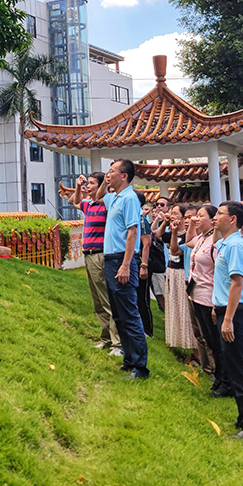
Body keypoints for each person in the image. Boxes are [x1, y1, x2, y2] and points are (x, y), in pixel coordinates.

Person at [211, 201, 243, 440]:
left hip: (236, 314)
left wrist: (228, 318)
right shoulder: (225, 243)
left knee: (241, 370)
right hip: (226, 310)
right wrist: (218, 307)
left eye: (220, 213)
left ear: (232, 219)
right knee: (233, 367)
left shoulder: (236, 246)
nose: (215, 217)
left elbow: (237, 284)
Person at [102, 159, 148, 379]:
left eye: (112, 171)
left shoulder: (129, 198)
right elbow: (97, 196)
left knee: (129, 314)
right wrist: (105, 181)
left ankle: (140, 366)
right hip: (111, 259)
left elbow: (132, 232)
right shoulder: (115, 198)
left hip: (122, 259)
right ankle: (129, 359)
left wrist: (126, 265)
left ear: (124, 176)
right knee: (119, 315)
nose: (108, 174)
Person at [72, 172, 120, 356]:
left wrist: (104, 186)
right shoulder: (88, 205)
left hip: (100, 255)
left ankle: (117, 344)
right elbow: (76, 201)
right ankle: (106, 339)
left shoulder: (106, 205)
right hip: (88, 255)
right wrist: (78, 186)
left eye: (92, 183)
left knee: (107, 300)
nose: (88, 186)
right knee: (98, 302)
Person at [187, 204, 229, 397]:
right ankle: (219, 376)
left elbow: (219, 274)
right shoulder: (201, 238)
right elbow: (188, 241)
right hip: (197, 295)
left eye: (200, 216)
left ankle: (225, 379)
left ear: (212, 220)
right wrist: (192, 225)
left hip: (209, 297)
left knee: (217, 342)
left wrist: (215, 303)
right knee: (210, 340)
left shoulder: (215, 241)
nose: (196, 218)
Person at [165, 204, 198, 351]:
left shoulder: (200, 239)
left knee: (194, 318)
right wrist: (173, 232)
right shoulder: (191, 240)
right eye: (187, 217)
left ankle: (198, 353)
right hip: (183, 277)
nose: (188, 220)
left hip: (194, 280)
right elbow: (174, 250)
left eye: (191, 217)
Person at [136, 193, 155, 337]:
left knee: (142, 298)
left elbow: (146, 244)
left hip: (141, 263)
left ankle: (148, 330)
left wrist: (144, 265)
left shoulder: (141, 219)